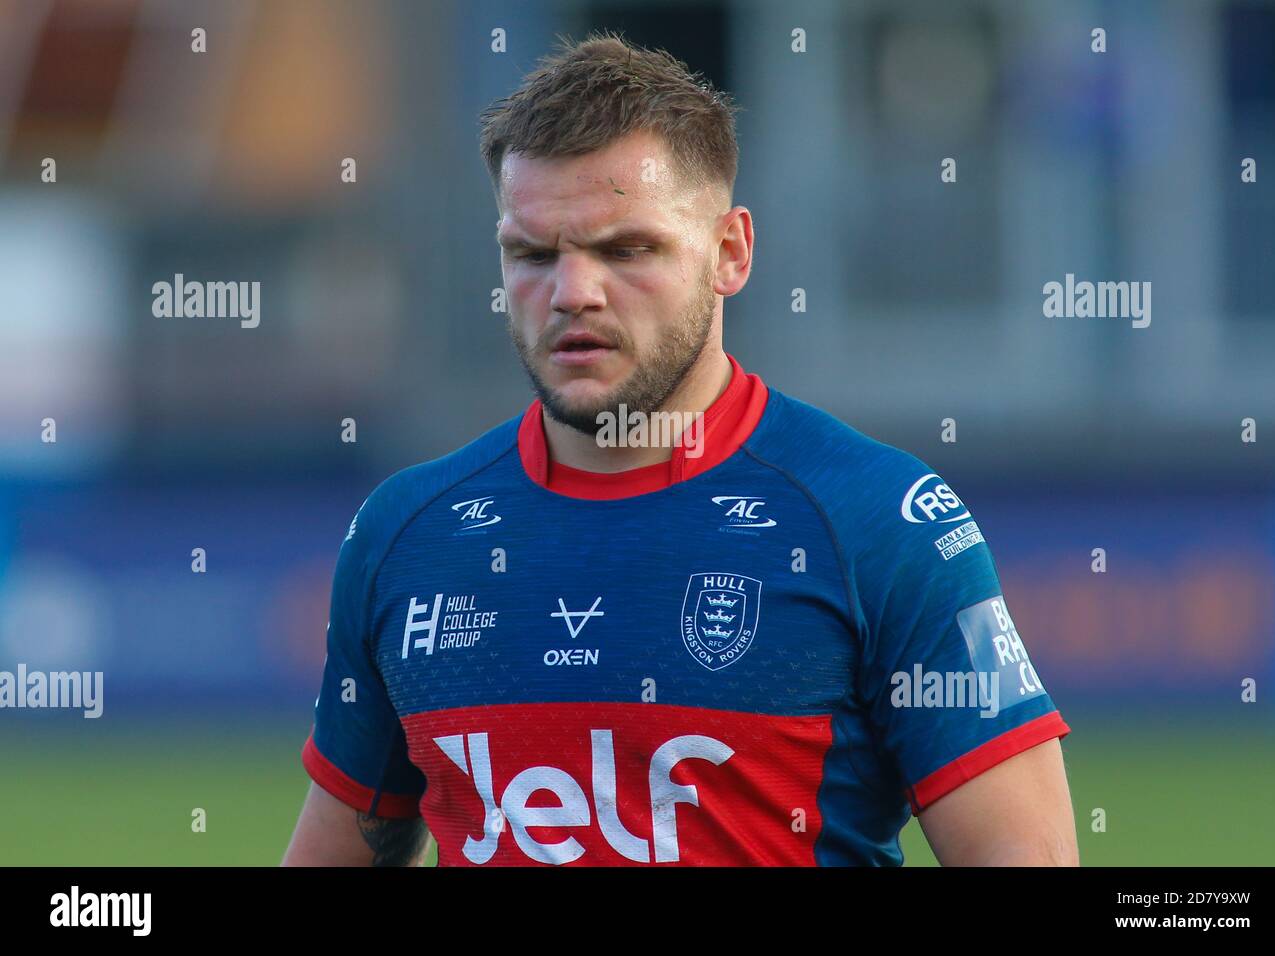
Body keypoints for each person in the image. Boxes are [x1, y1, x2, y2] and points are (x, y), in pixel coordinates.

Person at [283, 31, 1076, 866]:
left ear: (729, 252)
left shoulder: (879, 521)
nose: (572, 293)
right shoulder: (407, 535)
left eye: (627, 250)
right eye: (532, 254)